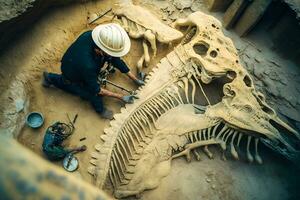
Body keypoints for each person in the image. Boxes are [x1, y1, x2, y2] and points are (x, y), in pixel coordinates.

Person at [42, 23, 145, 119]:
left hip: (78, 63)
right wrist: (122, 97)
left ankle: (51, 78)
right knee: (92, 94)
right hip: (72, 73)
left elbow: (115, 59)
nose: (112, 55)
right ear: (100, 50)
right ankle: (50, 78)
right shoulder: (88, 65)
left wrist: (135, 79)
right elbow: (97, 90)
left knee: (105, 65)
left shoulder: (94, 36)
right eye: (110, 52)